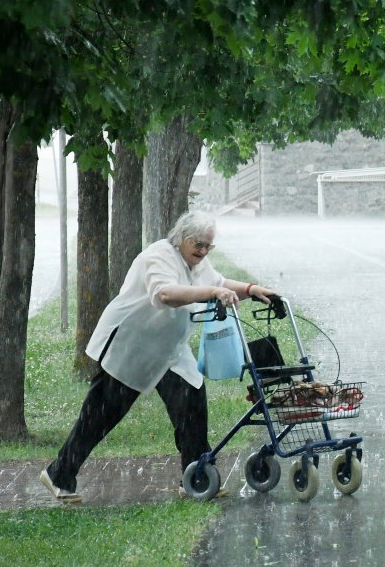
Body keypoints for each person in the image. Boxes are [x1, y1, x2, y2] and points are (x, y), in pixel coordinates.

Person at [40, 210, 275, 502]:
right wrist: (211, 292)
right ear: (181, 238)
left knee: (192, 403)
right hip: (131, 345)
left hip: (169, 348)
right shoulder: (159, 256)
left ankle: (197, 476)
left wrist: (252, 289)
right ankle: (59, 474)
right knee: (100, 416)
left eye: (208, 246)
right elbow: (165, 295)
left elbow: (219, 282)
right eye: (198, 245)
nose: (203, 251)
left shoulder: (198, 262)